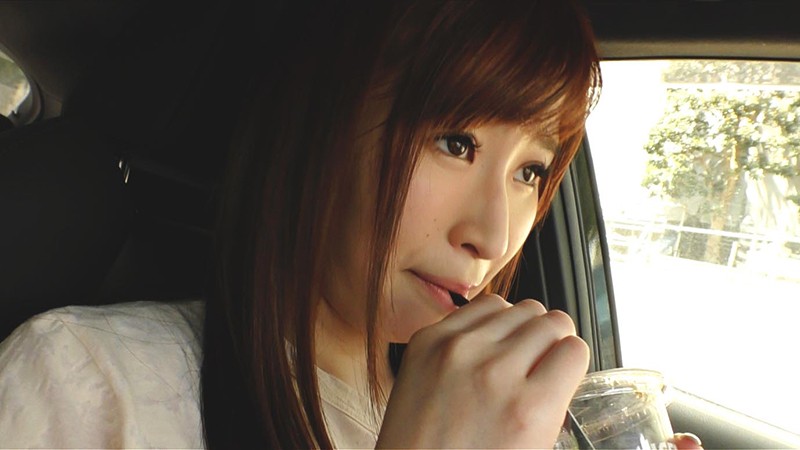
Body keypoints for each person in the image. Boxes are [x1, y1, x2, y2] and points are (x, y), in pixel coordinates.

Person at [0, 1, 703, 449]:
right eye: (455, 142)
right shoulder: (87, 380)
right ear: (318, 129)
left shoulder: (514, 420)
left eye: (530, 172)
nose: (492, 238)